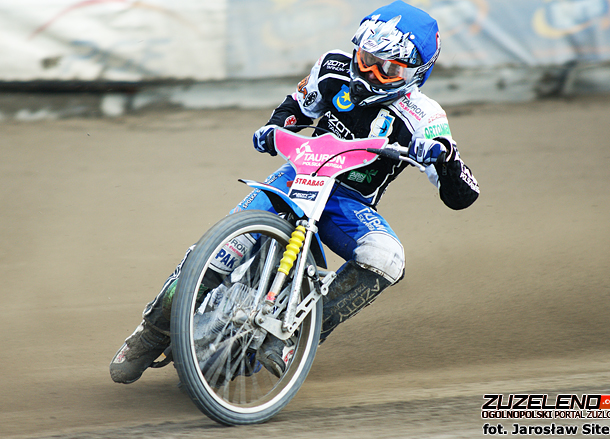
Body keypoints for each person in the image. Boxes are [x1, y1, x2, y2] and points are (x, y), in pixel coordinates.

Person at [110, 0, 479, 385]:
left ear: (417, 73)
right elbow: (296, 109)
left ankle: (299, 336)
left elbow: (463, 195)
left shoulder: (426, 117)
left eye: (388, 68)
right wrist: (274, 128)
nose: (370, 71)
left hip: (347, 203)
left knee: (387, 258)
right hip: (296, 176)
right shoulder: (333, 66)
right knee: (220, 252)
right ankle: (151, 332)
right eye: (367, 57)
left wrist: (444, 159)